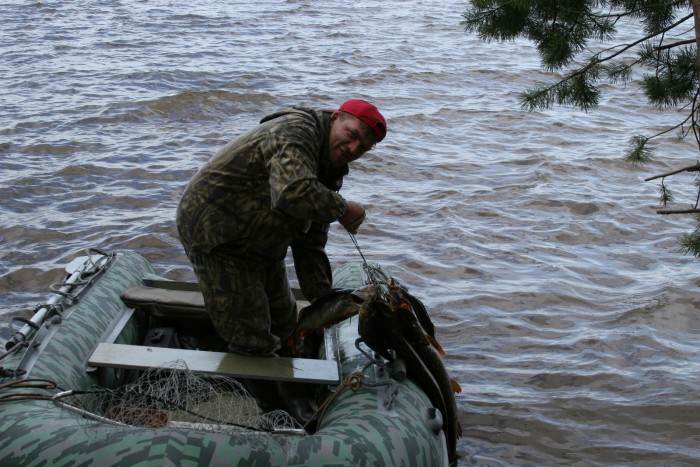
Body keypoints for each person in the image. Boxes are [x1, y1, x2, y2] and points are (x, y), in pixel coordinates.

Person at [176, 99, 387, 359]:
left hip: (261, 239)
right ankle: (267, 396)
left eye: (363, 148)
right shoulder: (295, 130)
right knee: (252, 337)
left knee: (285, 322)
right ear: (335, 119)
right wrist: (344, 209)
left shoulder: (329, 166)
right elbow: (292, 192)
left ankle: (289, 382)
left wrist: (323, 302)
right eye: (351, 135)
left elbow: (311, 239)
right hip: (218, 234)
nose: (353, 148)